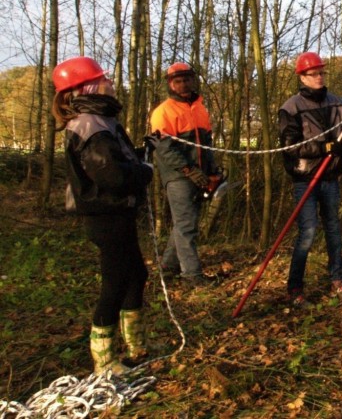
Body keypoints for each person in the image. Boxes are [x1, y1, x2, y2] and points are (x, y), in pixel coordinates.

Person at [52, 56, 153, 375]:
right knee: (116, 282)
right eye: (103, 78)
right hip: (104, 215)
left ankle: (135, 347)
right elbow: (113, 177)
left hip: (116, 213)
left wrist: (142, 153)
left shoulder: (102, 121)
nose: (110, 82)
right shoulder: (89, 125)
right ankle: (105, 361)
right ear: (87, 87)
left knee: (136, 274)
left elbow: (116, 163)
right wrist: (145, 171)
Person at [278, 51, 342, 306]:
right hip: (305, 178)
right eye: (314, 74)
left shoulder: (336, 103)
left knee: (333, 230)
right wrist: (322, 149)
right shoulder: (291, 108)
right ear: (302, 77)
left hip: (330, 178)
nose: (320, 77)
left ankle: (337, 279)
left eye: (322, 72)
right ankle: (295, 288)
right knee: (308, 232)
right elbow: (289, 146)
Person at [150, 61, 219, 287]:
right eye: (177, 81)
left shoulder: (200, 108)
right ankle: (191, 275)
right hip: (178, 176)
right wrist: (189, 170)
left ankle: (168, 266)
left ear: (193, 80)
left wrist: (212, 172)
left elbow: (207, 145)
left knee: (184, 223)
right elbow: (164, 149)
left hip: (200, 173)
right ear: (171, 84)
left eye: (186, 79)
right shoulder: (162, 112)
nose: (183, 84)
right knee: (187, 224)